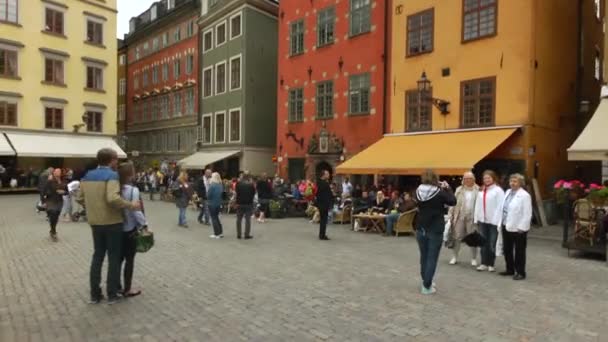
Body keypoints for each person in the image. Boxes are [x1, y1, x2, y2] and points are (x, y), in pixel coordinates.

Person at [77, 148, 141, 305]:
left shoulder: (87, 176)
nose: (117, 162)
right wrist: (130, 205)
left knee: (97, 256)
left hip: (95, 222)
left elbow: (79, 198)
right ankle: (112, 294)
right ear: (111, 160)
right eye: (116, 159)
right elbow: (112, 198)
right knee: (113, 258)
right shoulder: (112, 175)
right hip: (112, 222)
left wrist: (92, 207)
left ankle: (95, 294)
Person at [415, 170, 456, 295]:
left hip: (421, 226)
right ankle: (427, 285)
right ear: (435, 179)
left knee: (424, 256)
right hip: (435, 228)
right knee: (432, 257)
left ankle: (425, 280)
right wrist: (447, 188)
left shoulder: (418, 191)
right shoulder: (440, 192)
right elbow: (453, 201)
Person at [118, 162, 146, 297]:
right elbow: (136, 211)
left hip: (116, 227)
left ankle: (115, 286)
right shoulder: (133, 190)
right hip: (129, 229)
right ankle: (127, 288)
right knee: (129, 260)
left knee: (117, 260)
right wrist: (144, 224)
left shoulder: (116, 188)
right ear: (130, 174)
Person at [499, 174, 532, 281]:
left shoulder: (525, 195)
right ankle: (510, 269)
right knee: (507, 249)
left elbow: (527, 213)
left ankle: (520, 272)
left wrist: (522, 228)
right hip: (506, 224)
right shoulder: (507, 192)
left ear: (520, 183)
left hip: (518, 228)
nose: (512, 183)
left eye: (515, 181)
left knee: (519, 251)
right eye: (511, 181)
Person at [474, 170, 505, 273]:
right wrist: (476, 218)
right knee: (483, 242)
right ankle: (483, 263)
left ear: (493, 178)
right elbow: (478, 205)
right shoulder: (481, 190)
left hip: (494, 222)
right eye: (485, 178)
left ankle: (491, 264)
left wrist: (497, 221)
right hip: (483, 220)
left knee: (492, 243)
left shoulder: (498, 191)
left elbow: (500, 207)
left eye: (489, 178)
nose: (487, 180)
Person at [447, 172, 480, 266]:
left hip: (472, 217)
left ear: (473, 179)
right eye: (465, 178)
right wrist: (450, 215)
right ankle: (454, 257)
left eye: (470, 178)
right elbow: (453, 203)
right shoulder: (459, 190)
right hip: (459, 216)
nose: (467, 180)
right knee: (456, 237)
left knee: (473, 238)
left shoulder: (478, 190)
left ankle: (473, 258)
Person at [44, 168, 66, 241]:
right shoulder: (50, 180)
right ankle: (53, 232)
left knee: (56, 216)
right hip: (51, 200)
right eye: (56, 171)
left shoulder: (63, 180)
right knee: (53, 214)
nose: (58, 173)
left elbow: (67, 190)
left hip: (59, 201)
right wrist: (44, 201)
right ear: (53, 173)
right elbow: (44, 190)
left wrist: (64, 192)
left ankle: (52, 229)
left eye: (59, 171)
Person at [235, 171, 256, 239]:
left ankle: (239, 234)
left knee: (238, 219)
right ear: (249, 177)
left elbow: (237, 192)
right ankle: (246, 234)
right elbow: (253, 193)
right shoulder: (251, 184)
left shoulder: (238, 184)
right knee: (247, 220)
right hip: (248, 203)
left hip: (240, 203)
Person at [316, 169, 333, 240]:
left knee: (323, 219)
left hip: (320, 203)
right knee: (324, 220)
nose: (329, 175)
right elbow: (328, 194)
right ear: (324, 175)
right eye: (327, 174)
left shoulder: (319, 182)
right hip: (324, 204)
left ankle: (321, 234)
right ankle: (322, 235)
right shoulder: (325, 184)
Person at [207, 172, 224, 239]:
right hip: (218, 203)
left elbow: (208, 195)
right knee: (217, 218)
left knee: (214, 218)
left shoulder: (212, 185)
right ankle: (220, 232)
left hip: (212, 203)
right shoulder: (220, 185)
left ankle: (216, 233)